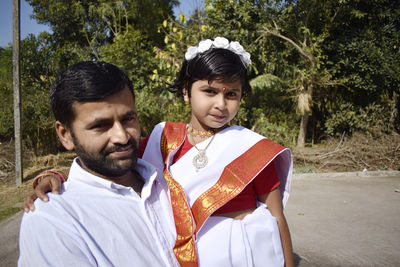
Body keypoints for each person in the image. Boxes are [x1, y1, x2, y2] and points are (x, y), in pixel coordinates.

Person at [25, 37, 294, 267]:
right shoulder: (162, 139)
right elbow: (106, 164)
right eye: (209, 91)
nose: (220, 104)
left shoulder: (253, 150)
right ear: (187, 92)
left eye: (231, 94)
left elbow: (277, 220)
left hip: (251, 254)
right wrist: (55, 175)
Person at [18, 61, 179, 267]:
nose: (121, 136)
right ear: (65, 135)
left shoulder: (170, 171)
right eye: (100, 126)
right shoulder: (53, 218)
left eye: (128, 118)